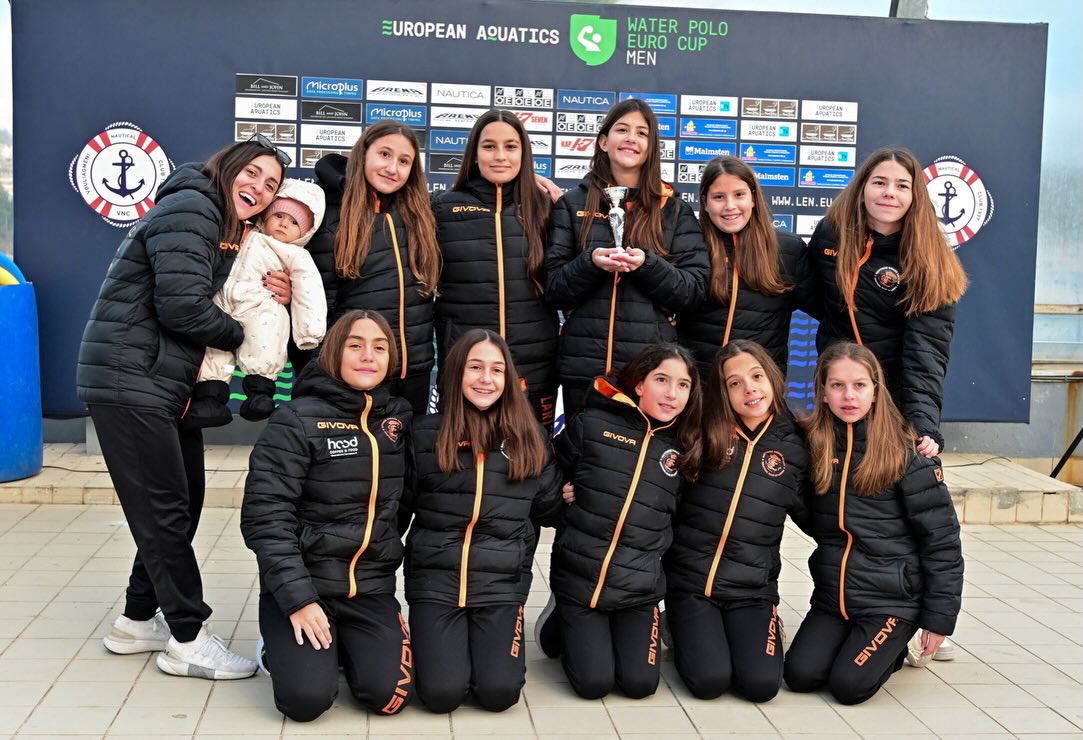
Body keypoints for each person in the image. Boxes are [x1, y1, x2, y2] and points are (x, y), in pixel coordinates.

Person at [77, 135, 291, 679]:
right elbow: (182, 306)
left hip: (162, 384)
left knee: (184, 501)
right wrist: (246, 334)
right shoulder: (195, 207)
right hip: (130, 379)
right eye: (252, 173)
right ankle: (188, 638)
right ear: (227, 168)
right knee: (166, 510)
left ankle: (136, 620)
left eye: (271, 185)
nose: (259, 188)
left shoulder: (221, 222)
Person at [241, 310, 415, 720]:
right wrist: (298, 599)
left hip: (369, 588)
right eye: (355, 345)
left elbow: (408, 498)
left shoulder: (398, 418)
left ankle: (346, 646)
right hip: (305, 588)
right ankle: (277, 647)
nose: (368, 355)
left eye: (379, 347)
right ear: (334, 352)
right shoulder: (295, 420)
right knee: (306, 702)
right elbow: (265, 518)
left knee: (388, 697)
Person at [782, 341, 963, 705]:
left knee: (848, 687)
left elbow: (942, 542)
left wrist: (938, 621)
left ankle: (896, 647)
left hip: (891, 600)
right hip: (834, 598)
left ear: (876, 391)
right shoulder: (814, 445)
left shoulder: (905, 452)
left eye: (859, 385)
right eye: (837, 385)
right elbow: (811, 516)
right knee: (799, 676)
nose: (849, 395)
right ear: (823, 391)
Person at [401, 329, 562, 713]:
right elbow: (396, 512)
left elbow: (551, 510)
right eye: (475, 367)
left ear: (509, 379)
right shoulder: (424, 435)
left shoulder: (530, 439)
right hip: (436, 584)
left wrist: (569, 487)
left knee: (499, 694)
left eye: (496, 369)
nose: (486, 379)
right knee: (440, 695)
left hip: (500, 586)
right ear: (457, 372)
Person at [535, 343, 702, 699]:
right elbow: (549, 466)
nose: (672, 393)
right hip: (581, 579)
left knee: (639, 684)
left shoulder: (688, 445)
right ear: (640, 383)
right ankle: (558, 618)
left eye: (683, 385)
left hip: (638, 589)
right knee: (593, 684)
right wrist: (562, 497)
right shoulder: (595, 423)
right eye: (661, 380)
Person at [545, 98, 709, 419]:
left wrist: (647, 265)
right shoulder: (571, 204)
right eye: (622, 130)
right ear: (603, 142)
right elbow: (553, 289)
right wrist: (590, 264)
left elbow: (694, 291)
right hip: (583, 369)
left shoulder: (674, 211)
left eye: (641, 133)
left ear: (651, 147)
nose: (631, 138)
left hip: (649, 376)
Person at [664, 340, 809, 702]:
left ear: (772, 377)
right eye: (735, 383)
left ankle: (753, 628)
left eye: (756, 376)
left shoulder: (799, 445)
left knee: (761, 686)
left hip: (751, 590)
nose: (750, 389)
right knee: (710, 681)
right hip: (693, 585)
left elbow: (823, 515)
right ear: (723, 392)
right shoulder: (701, 431)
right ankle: (677, 625)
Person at [807, 146, 968, 459]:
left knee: (884, 480)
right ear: (862, 187)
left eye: (901, 185)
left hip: (891, 398)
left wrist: (922, 422)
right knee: (830, 475)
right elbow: (809, 291)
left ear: (915, 196)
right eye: (879, 182)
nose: (889, 193)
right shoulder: (831, 234)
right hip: (839, 392)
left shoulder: (930, 260)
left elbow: (926, 351)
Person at [303, 121, 441, 414]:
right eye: (384, 154)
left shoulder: (422, 216)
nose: (392, 168)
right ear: (363, 154)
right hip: (354, 376)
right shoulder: (330, 217)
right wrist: (320, 374)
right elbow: (316, 309)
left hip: (414, 374)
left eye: (404, 161)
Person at [432, 110, 559, 429]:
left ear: (524, 153)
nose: (500, 155)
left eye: (511, 146)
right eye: (489, 146)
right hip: (465, 365)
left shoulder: (547, 209)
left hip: (534, 366)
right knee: (462, 454)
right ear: (474, 155)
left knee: (531, 455)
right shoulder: (442, 208)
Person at [184, 178, 326, 427]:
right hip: (221, 303)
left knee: (264, 341)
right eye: (279, 215)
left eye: (294, 222)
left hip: (261, 305)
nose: (284, 223)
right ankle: (210, 398)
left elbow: (308, 288)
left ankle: (260, 394)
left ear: (305, 232)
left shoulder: (296, 254)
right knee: (213, 348)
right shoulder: (241, 232)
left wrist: (309, 331)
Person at [678, 157, 815, 377]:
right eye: (719, 197)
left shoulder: (788, 250)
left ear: (753, 198)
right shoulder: (690, 245)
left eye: (739, 195)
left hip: (759, 388)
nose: (730, 206)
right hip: (697, 385)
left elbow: (830, 310)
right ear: (705, 202)